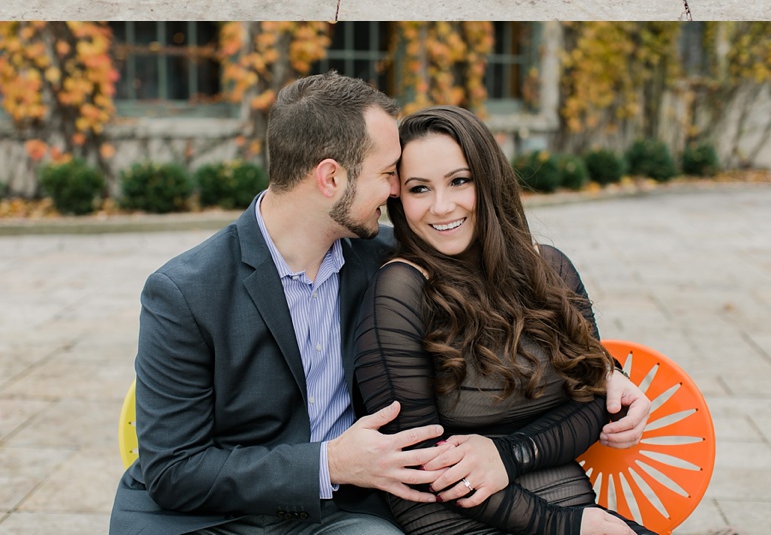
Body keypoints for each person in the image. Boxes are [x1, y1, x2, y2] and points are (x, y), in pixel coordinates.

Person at [109, 74, 650, 535]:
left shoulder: (385, 258)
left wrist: (608, 370)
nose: (397, 193)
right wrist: (332, 462)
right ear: (331, 178)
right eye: (390, 173)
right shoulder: (184, 291)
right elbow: (175, 470)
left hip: (344, 516)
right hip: (214, 521)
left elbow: (513, 298)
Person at [354, 107, 657, 535]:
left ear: (489, 178)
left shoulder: (550, 269)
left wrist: (510, 454)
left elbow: (591, 397)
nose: (442, 207)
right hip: (458, 514)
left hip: (560, 496)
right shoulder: (401, 290)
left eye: (460, 181)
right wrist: (565, 527)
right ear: (398, 198)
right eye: (419, 188)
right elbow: (419, 455)